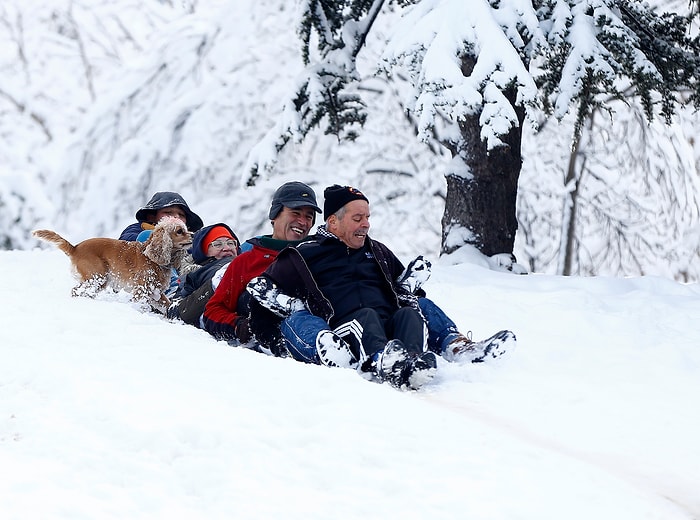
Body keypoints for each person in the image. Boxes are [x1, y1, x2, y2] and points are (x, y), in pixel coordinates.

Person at [246, 184, 516, 391]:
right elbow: (262, 301)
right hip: (346, 328)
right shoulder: (304, 254)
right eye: (357, 218)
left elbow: (407, 291)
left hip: (388, 327)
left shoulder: (377, 251)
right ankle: (381, 360)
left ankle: (447, 351)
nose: (366, 224)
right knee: (366, 317)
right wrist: (274, 344)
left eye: (367, 217)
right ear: (333, 222)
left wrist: (410, 293)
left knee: (412, 310)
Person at [201, 181, 322, 354]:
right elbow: (213, 311)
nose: (302, 221)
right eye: (295, 213)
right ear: (275, 215)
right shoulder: (247, 262)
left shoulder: (317, 257)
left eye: (309, 216)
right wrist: (241, 326)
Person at [166, 223, 240, 327]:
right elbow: (175, 311)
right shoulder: (191, 276)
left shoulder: (248, 265)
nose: (227, 248)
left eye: (231, 243)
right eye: (218, 244)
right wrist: (213, 284)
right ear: (203, 251)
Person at [119, 191, 203, 241]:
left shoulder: (191, 238)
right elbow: (126, 240)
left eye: (181, 215)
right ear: (151, 217)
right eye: (168, 212)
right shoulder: (138, 228)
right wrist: (162, 237)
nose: (177, 217)